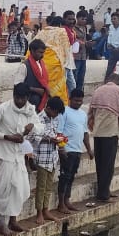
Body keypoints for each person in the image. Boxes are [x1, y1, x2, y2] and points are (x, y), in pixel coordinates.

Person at [0, 82, 40, 236]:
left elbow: (40, 126)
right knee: (4, 189)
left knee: (20, 189)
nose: (19, 101)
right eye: (17, 98)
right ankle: (1, 223)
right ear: (13, 96)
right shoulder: (2, 109)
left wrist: (32, 127)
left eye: (22, 99)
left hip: (19, 155)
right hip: (6, 155)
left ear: (27, 97)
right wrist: (7, 137)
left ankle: (13, 220)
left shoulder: (30, 109)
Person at [89, 73, 119, 201]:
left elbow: (91, 112)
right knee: (108, 164)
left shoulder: (98, 90)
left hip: (97, 132)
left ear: (107, 81)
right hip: (110, 133)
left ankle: (103, 191)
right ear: (118, 82)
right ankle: (103, 194)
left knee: (100, 163)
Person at [31, 96, 66, 224]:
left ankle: (46, 210)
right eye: (55, 112)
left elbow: (54, 134)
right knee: (41, 187)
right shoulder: (39, 118)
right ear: (49, 108)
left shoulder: (54, 118)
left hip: (53, 157)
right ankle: (39, 213)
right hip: (42, 158)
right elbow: (34, 137)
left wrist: (59, 139)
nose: (56, 115)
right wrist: (51, 140)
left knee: (49, 186)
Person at [57, 88, 91, 215]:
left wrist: (88, 150)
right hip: (67, 150)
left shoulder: (83, 114)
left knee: (71, 176)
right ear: (70, 99)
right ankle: (60, 204)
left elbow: (85, 133)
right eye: (76, 101)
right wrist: (61, 148)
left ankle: (67, 200)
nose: (78, 103)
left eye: (80, 101)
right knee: (64, 176)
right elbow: (59, 131)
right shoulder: (64, 111)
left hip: (77, 150)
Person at [23, 39, 53, 111]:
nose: (42, 55)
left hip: (41, 100)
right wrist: (35, 90)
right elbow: (18, 86)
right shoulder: (24, 66)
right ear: (32, 51)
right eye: (40, 52)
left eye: (43, 53)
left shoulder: (42, 64)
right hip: (29, 101)